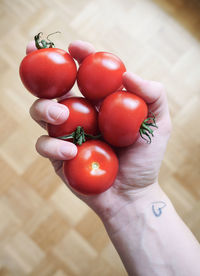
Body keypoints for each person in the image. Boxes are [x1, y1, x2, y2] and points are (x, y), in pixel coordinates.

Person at [29, 40, 200, 276]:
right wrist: (136, 199)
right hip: (91, 138)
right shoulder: (130, 112)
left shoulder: (123, 122)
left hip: (91, 141)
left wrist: (135, 197)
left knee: (59, 119)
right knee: (58, 118)